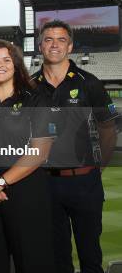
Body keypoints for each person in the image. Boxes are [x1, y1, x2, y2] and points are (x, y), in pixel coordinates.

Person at [32, 20, 118, 273]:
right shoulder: (30, 86)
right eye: (48, 39)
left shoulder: (89, 82)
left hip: (84, 182)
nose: (54, 45)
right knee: (57, 257)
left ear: (70, 46)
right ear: (40, 46)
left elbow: (108, 128)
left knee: (90, 255)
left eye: (60, 40)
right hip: (45, 183)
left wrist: (98, 166)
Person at [0, 39, 57, 273]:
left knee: (34, 263)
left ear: (16, 64)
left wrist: (1, 182)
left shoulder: (36, 100)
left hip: (27, 194)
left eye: (6, 60)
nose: (0, 65)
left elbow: (40, 151)